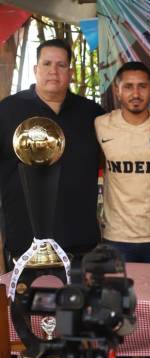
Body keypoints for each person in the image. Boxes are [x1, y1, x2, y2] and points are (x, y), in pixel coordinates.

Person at [95, 61, 150, 358]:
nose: (135, 93)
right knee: (117, 307)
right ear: (117, 91)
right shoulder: (100, 125)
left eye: (142, 86)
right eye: (129, 86)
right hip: (116, 235)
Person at [0, 39, 104, 268]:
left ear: (72, 72)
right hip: (25, 246)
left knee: (78, 304)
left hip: (81, 246)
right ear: (35, 69)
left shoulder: (92, 114)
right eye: (46, 64)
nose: (53, 71)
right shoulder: (7, 111)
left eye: (61, 65)